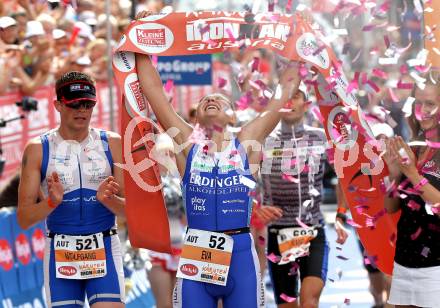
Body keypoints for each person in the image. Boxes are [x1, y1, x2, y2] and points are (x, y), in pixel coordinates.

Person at [134, 11, 301, 308]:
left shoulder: (247, 139)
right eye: (205, 101)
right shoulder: (186, 144)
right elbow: (154, 92)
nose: (211, 100)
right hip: (197, 254)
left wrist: (295, 44)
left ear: (233, 116)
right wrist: (142, 39)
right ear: (196, 116)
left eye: (220, 101)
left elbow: (284, 94)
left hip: (240, 256)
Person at [17, 71, 126, 307]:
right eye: (74, 104)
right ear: (57, 105)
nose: (82, 110)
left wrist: (109, 200)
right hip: (59, 251)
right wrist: (50, 203)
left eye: (88, 104)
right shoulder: (38, 148)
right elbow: (24, 219)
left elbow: (132, 212)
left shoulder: (113, 143)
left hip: (105, 246)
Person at [255, 84, 348, 308]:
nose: (289, 101)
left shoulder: (320, 138)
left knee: (309, 301)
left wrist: (340, 216)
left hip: (313, 231)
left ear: (306, 105)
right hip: (278, 233)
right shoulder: (262, 140)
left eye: (295, 96)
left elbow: (344, 179)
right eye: (284, 97)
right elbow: (243, 178)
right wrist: (256, 207)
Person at [383, 80, 440, 308]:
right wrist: (394, 174)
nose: (422, 110)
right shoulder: (413, 146)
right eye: (418, 103)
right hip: (405, 261)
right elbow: (391, 207)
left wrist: (413, 174)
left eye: (430, 103)